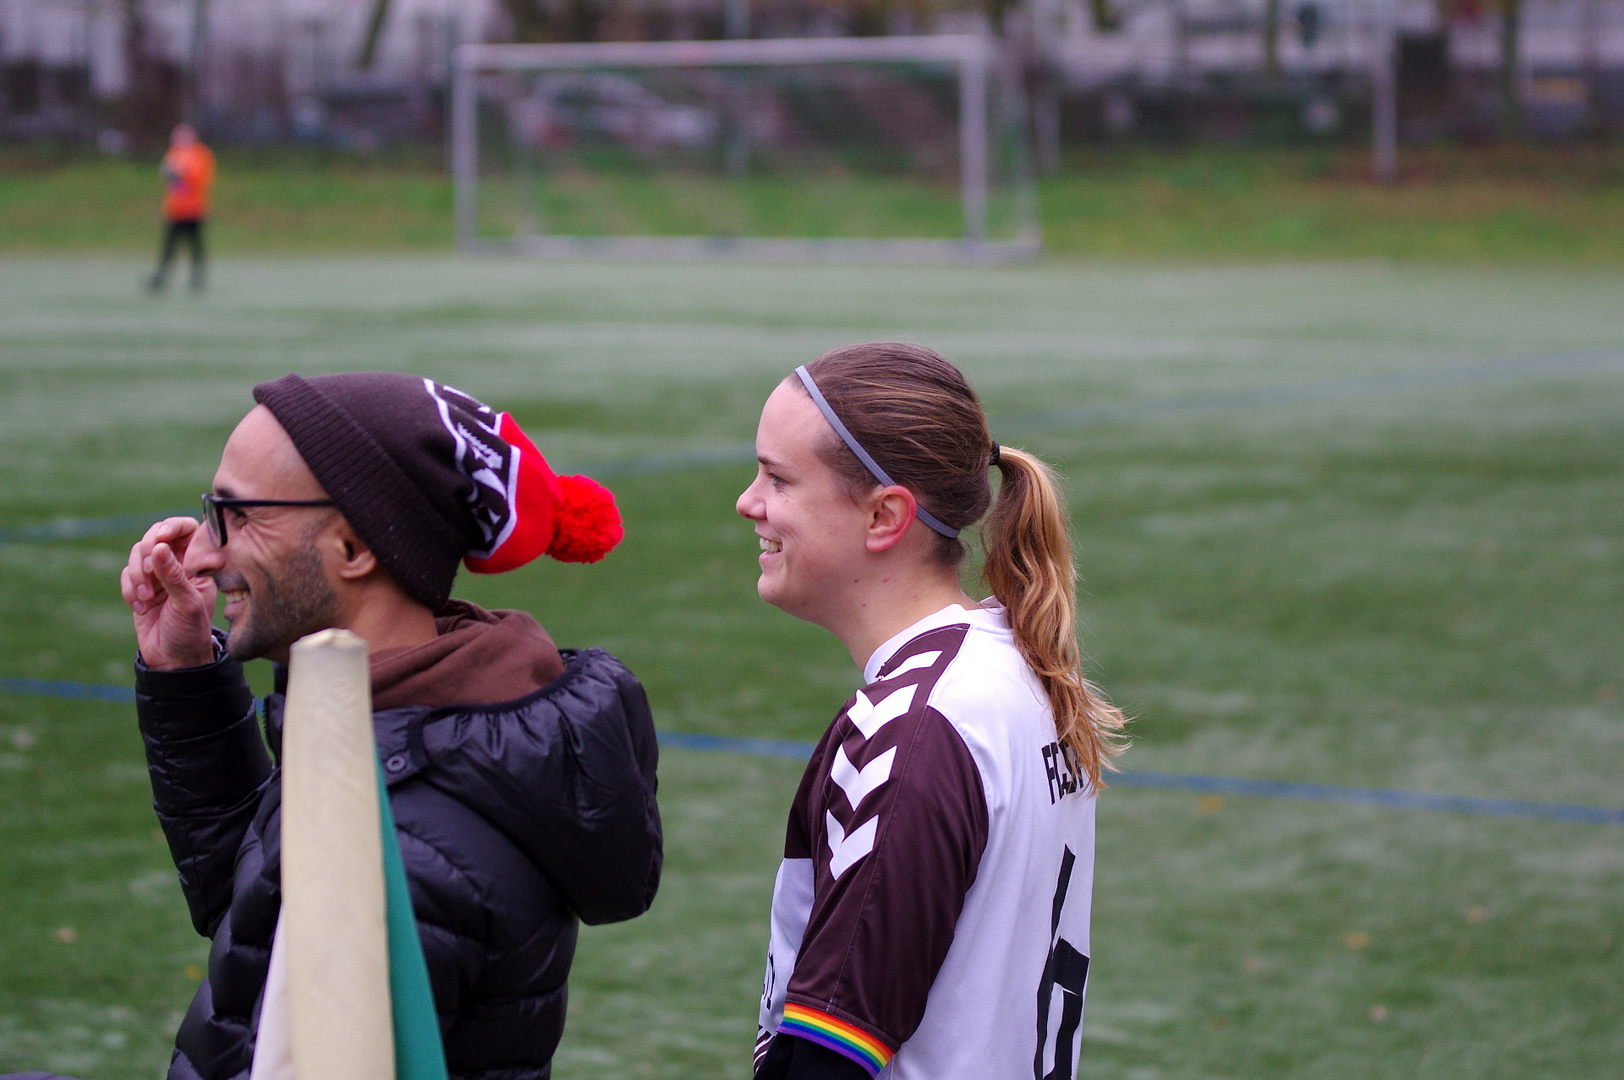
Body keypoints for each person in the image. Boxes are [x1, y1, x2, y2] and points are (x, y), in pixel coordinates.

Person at [117, 372, 662, 1080]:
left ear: (354, 549)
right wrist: (185, 679)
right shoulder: (405, 728)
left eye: (241, 515)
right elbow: (253, 928)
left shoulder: (407, 844)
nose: (201, 553)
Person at [738, 343, 1127, 1080]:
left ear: (885, 516)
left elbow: (830, 1055)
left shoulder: (914, 727)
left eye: (777, 478)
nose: (748, 501)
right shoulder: (1017, 668)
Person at [148, 123, 215, 293]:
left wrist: (179, 175)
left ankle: (197, 279)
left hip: (193, 209)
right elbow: (167, 178)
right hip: (175, 209)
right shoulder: (173, 153)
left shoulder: (201, 154)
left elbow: (198, 179)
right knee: (169, 246)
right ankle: (161, 278)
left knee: (195, 245)